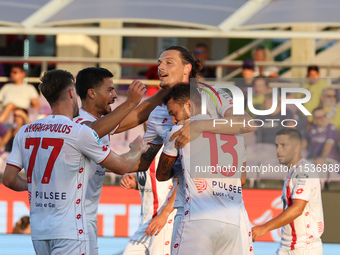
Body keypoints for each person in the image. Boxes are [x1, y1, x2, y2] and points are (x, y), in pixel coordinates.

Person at [2, 69, 149, 255]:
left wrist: (36, 186)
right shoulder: (78, 131)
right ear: (72, 93)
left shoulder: (25, 131)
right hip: (71, 229)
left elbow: (9, 179)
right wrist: (137, 150)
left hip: (39, 231)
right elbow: (121, 166)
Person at [125, 45, 255, 254]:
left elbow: (248, 123)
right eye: (159, 62)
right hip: (220, 206)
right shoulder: (159, 111)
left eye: (168, 62)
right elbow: (142, 162)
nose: (160, 67)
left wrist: (199, 126)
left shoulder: (214, 94)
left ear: (187, 68)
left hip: (204, 211)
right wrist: (104, 157)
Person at [74, 67, 166, 255]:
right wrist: (131, 102)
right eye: (109, 90)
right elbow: (120, 164)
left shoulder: (101, 124)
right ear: (91, 93)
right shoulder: (80, 124)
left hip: (85, 217)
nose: (115, 95)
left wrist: (170, 85)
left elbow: (140, 113)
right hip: (74, 219)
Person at [157, 84, 254, 255]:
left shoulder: (179, 130)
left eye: (174, 113)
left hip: (198, 221)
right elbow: (242, 179)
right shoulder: (236, 135)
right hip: (232, 223)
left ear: (188, 105)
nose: (173, 119)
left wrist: (180, 168)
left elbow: (161, 174)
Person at [252, 128, 324, 255]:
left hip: (303, 249)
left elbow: (297, 209)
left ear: (297, 148)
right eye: (277, 146)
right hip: (289, 246)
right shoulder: (294, 170)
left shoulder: (304, 171)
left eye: (283, 146)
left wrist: (263, 228)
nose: (278, 150)